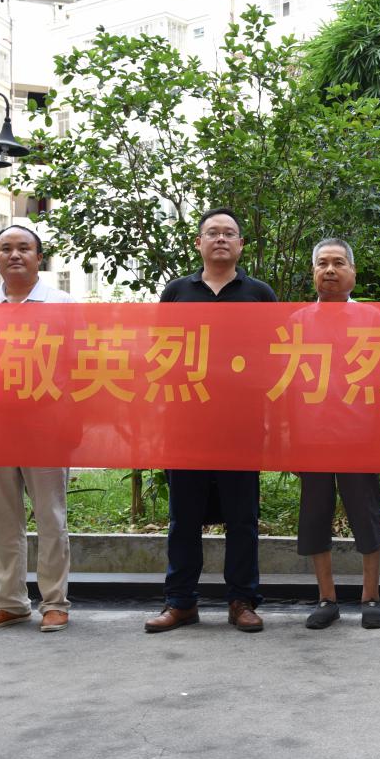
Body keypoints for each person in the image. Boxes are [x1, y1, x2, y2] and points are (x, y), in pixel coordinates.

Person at [146, 208, 276, 634]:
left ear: (241, 244)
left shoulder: (259, 294)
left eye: (229, 233)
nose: (221, 238)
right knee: (183, 518)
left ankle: (242, 600)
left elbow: (275, 355)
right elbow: (160, 352)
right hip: (187, 423)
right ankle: (180, 601)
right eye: (213, 232)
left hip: (241, 424)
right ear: (199, 243)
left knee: (243, 519)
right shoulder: (177, 291)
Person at [0, 225, 74, 633]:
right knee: (3, 519)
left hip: (46, 427)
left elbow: (81, 366)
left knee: (51, 517)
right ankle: (11, 603)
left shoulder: (62, 305)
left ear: (38, 256)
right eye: (6, 248)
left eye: (24, 248)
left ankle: (55, 603)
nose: (15, 255)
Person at [297, 238, 380, 630]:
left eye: (338, 263)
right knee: (314, 515)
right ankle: (326, 598)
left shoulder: (373, 320)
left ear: (353, 271)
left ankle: (371, 596)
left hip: (359, 436)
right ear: (313, 272)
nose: (330, 270)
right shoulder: (296, 322)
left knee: (366, 514)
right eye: (322, 263)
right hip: (311, 437)